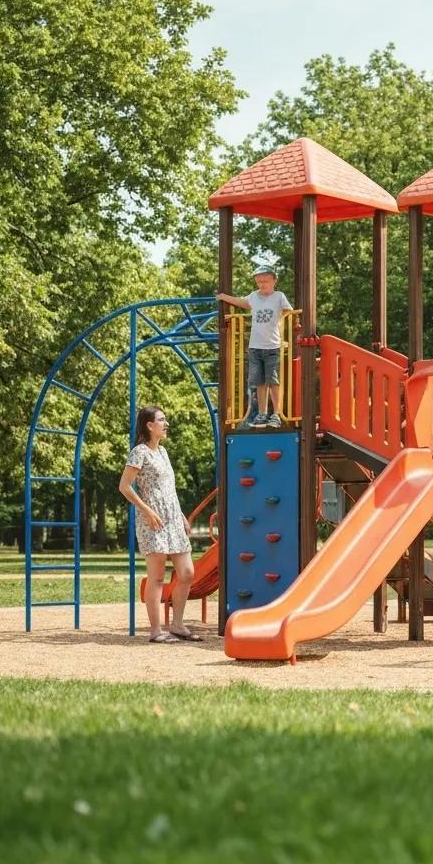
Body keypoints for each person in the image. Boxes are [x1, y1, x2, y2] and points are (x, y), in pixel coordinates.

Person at [118, 407, 201, 643]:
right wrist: (146, 510)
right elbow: (124, 487)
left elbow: (169, 489)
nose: (166, 424)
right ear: (149, 425)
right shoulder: (139, 452)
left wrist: (182, 515)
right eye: (162, 420)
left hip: (173, 518)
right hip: (152, 521)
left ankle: (177, 625)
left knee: (187, 572)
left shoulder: (163, 452)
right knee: (156, 578)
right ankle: (156, 631)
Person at [216, 264, 293, 428]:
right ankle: (262, 413)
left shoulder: (279, 296)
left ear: (274, 280)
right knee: (259, 382)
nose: (262, 284)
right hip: (255, 346)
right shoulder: (254, 297)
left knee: (273, 381)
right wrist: (224, 297)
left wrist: (281, 322)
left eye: (265, 281)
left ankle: (276, 414)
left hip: (272, 345)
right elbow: (242, 303)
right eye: (259, 282)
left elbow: (288, 311)